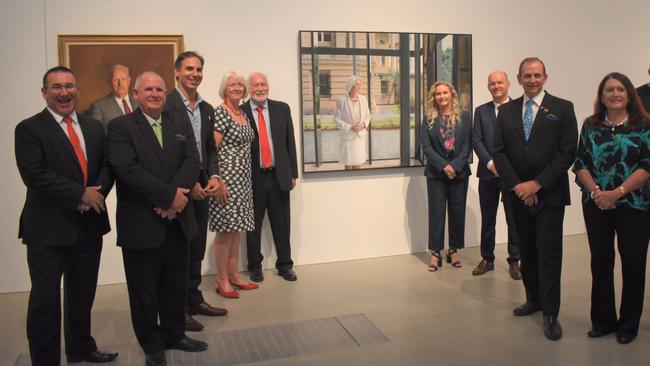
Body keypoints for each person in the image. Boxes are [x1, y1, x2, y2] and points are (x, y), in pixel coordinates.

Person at [14, 66, 118, 365]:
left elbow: (107, 167)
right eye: (56, 87)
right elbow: (35, 175)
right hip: (47, 229)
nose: (64, 92)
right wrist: (79, 194)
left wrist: (95, 193)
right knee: (45, 301)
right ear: (44, 92)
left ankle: (81, 348)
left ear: (78, 89)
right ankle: (45, 360)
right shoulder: (29, 129)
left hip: (88, 226)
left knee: (82, 295)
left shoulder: (94, 127)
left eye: (69, 86)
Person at [106, 71, 206, 366]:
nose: (154, 94)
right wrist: (167, 198)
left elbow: (193, 160)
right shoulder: (120, 127)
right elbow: (128, 170)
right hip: (142, 222)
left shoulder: (178, 122)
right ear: (135, 94)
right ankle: (152, 344)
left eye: (159, 89)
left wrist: (176, 200)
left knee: (175, 284)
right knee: (143, 290)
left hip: (177, 221)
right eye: (147, 89)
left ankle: (176, 334)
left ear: (166, 93)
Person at [493, 57, 578, 341]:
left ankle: (551, 313)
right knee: (527, 251)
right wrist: (519, 186)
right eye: (527, 76)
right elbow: (499, 152)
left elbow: (567, 152)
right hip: (518, 195)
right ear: (518, 79)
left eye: (537, 75)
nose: (532, 80)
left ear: (545, 77)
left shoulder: (563, 108)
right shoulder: (506, 111)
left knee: (550, 254)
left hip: (550, 195)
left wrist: (537, 184)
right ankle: (533, 299)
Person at [573, 72, 650, 345]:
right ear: (602, 96)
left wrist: (617, 192)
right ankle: (603, 321)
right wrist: (597, 192)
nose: (615, 94)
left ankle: (628, 324)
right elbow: (580, 163)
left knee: (633, 264)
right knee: (601, 263)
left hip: (635, 205)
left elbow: (646, 165)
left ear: (629, 94)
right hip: (596, 205)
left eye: (620, 89)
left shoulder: (643, 125)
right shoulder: (591, 125)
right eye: (609, 90)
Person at [163, 51, 227, 332]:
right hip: (178, 190)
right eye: (189, 68)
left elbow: (210, 149)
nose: (194, 73)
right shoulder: (165, 105)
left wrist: (213, 176)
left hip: (204, 191)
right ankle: (176, 309)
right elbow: (166, 154)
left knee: (197, 248)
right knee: (179, 252)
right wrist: (190, 185)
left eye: (199, 69)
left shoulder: (207, 108)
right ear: (176, 72)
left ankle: (193, 299)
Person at [241, 72, 299, 283]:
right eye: (255, 85)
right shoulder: (241, 112)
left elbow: (289, 142)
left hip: (278, 175)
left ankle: (285, 265)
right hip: (252, 177)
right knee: (252, 226)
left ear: (268, 86)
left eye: (263, 84)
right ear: (249, 88)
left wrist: (293, 172)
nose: (260, 88)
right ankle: (255, 266)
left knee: (282, 223)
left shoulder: (281, 108)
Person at [208, 71, 258, 299]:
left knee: (236, 231)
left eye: (240, 84)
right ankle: (221, 280)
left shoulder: (243, 114)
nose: (237, 87)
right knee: (225, 232)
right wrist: (217, 179)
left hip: (243, 181)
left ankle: (234, 275)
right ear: (224, 89)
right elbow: (212, 149)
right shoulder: (220, 112)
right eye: (233, 84)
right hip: (226, 181)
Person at [471, 71, 521, 280]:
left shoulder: (518, 109)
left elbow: (522, 141)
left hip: (512, 175)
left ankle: (514, 260)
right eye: (492, 83)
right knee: (488, 218)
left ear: (508, 84)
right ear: (488, 86)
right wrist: (490, 163)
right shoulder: (481, 111)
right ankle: (487, 259)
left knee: (514, 219)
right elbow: (477, 140)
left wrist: (507, 168)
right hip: (488, 174)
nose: (496, 86)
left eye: (500, 82)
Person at [420, 81, 472, 272]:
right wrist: (444, 166)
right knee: (436, 213)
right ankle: (435, 252)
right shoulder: (428, 118)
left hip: (459, 173)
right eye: (437, 94)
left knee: (457, 212)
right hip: (436, 174)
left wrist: (455, 166)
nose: (441, 97)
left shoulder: (464, 117)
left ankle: (453, 250)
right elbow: (426, 147)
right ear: (433, 97)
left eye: (445, 93)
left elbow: (467, 145)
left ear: (452, 95)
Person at [334, 75, 372, 169]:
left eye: (360, 85)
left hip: (359, 137)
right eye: (357, 85)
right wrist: (350, 127)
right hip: (348, 136)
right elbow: (336, 119)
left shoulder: (363, 99)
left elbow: (368, 115)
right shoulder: (341, 100)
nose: (359, 87)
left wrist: (363, 125)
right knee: (348, 164)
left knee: (358, 163)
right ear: (350, 86)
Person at [86, 64, 136, 131]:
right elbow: (96, 135)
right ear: (109, 82)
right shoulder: (98, 107)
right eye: (115, 80)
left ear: (129, 81)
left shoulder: (140, 102)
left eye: (123, 79)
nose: (120, 84)